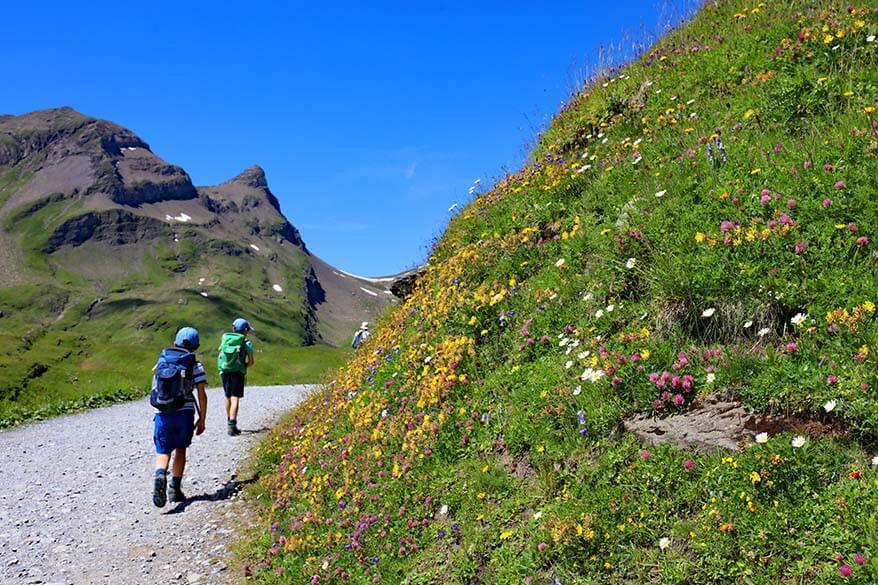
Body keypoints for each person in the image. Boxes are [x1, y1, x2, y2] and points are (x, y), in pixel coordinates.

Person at [152, 327, 208, 508]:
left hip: (163, 413)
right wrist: (202, 419)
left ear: (174, 342)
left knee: (163, 451)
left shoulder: (162, 361)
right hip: (184, 413)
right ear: (196, 346)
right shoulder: (196, 365)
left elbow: (155, 388)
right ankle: (174, 489)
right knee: (181, 449)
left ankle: (160, 473)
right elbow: (202, 395)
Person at [218, 318, 255, 436]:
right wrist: (244, 366)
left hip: (224, 371)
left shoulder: (226, 339)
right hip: (237, 372)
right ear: (245, 330)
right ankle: (232, 426)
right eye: (247, 330)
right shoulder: (246, 343)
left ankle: (229, 420)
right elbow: (251, 362)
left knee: (227, 396)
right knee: (235, 398)